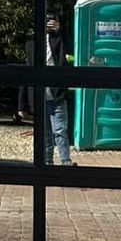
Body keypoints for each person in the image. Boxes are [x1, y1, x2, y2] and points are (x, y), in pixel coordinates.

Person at [37, 14, 73, 164]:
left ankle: (65, 161)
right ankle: (47, 162)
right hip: (40, 93)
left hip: (56, 93)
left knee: (60, 130)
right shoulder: (34, 42)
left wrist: (59, 32)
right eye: (47, 21)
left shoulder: (59, 39)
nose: (49, 24)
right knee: (45, 133)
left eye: (52, 21)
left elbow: (65, 55)